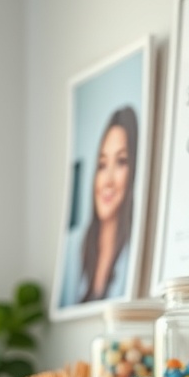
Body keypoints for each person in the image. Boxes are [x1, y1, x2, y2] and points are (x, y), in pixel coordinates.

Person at [77, 105, 138, 303]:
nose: (107, 181)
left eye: (121, 162)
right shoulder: (81, 251)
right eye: (102, 165)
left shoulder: (133, 255)